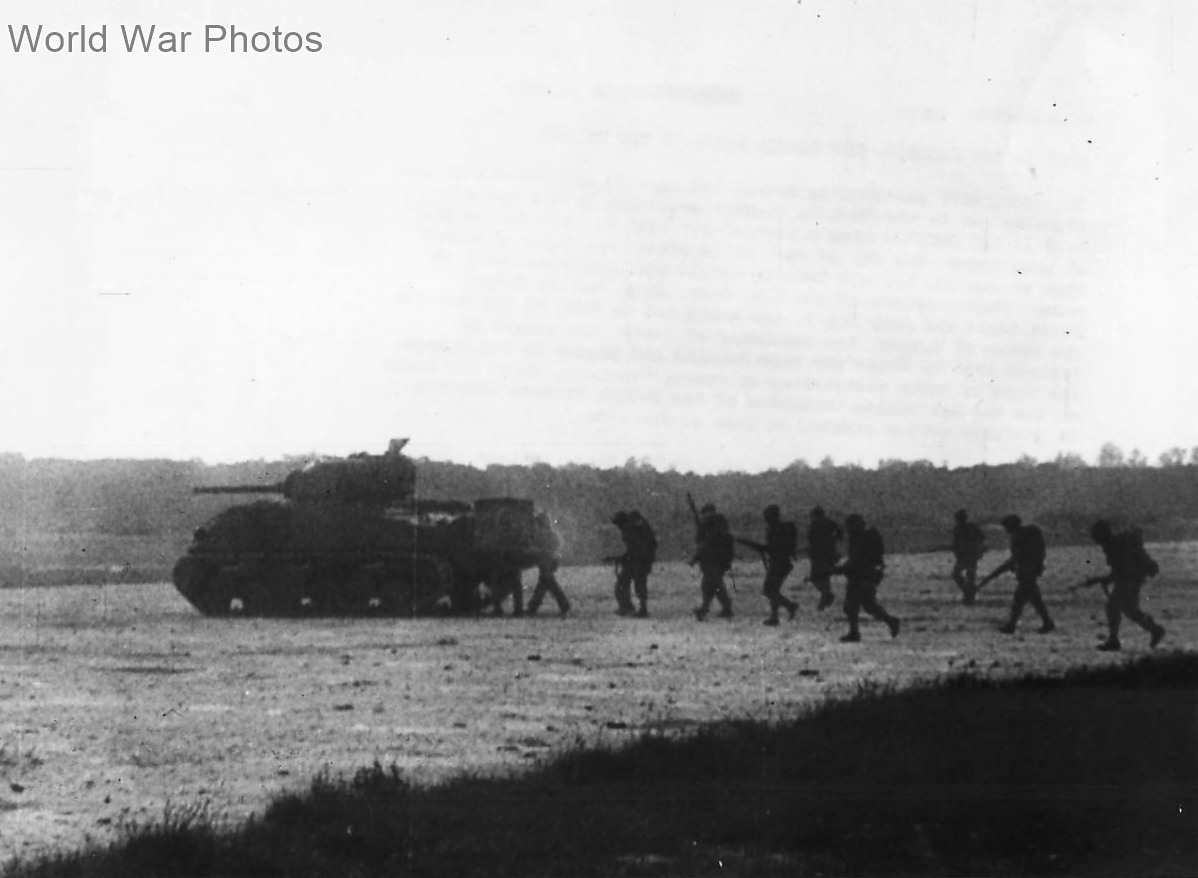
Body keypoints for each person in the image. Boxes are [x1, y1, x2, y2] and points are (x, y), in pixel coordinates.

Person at [1075, 520, 1165, 651]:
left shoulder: (1114, 547)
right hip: (1132, 579)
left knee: (1113, 607)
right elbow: (1118, 571)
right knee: (1130, 611)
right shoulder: (1113, 545)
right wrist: (1101, 580)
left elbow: (1121, 571)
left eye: (1095, 535)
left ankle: (1114, 640)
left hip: (1130, 580)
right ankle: (1155, 630)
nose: (1094, 539)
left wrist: (1098, 580)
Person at [977, 514, 1055, 635]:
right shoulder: (1024, 535)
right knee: (1033, 599)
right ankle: (1046, 622)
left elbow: (1016, 558)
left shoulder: (1018, 537)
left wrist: (997, 572)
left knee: (1021, 599)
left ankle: (1012, 625)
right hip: (1030, 571)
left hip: (1026, 572)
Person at [829, 513, 900, 642]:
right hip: (859, 576)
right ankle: (857, 632)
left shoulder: (862, 539)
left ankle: (889, 622)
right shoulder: (858, 538)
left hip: (863, 577)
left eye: (850, 526)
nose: (849, 529)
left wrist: (840, 569)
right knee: (858, 606)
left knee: (860, 606)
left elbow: (857, 560)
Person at [756, 504, 799, 626]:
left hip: (779, 563)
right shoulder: (776, 528)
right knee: (772, 590)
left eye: (767, 515)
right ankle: (783, 610)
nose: (765, 518)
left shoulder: (777, 529)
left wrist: (762, 548)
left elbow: (774, 547)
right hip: (781, 562)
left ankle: (785, 610)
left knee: (770, 590)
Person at [692, 504, 734, 620]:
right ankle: (722, 608)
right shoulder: (719, 524)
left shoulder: (713, 525)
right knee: (713, 584)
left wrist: (696, 557)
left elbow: (705, 542)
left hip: (713, 560)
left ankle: (706, 609)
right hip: (715, 560)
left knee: (710, 584)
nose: (704, 516)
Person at [610, 510, 656, 617]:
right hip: (639, 559)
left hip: (640, 560)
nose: (619, 528)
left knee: (636, 584)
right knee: (624, 583)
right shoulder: (633, 527)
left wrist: (623, 558)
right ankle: (627, 607)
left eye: (618, 524)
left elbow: (636, 548)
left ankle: (640, 609)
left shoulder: (629, 528)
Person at [526, 513, 570, 617]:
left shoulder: (544, 535)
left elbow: (539, 546)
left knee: (549, 583)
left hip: (546, 561)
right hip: (550, 560)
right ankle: (534, 606)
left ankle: (564, 604)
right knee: (544, 583)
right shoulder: (551, 534)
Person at [806, 506, 841, 610]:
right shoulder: (831, 523)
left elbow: (812, 540)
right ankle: (826, 596)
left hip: (818, 555)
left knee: (817, 577)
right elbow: (840, 532)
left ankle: (826, 597)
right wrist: (833, 540)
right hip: (830, 554)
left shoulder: (814, 524)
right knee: (825, 577)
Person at [950, 509, 987, 604]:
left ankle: (968, 593)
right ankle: (968, 592)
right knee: (967, 575)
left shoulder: (964, 528)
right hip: (969, 555)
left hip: (967, 555)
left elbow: (981, 537)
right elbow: (981, 537)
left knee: (961, 574)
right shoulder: (968, 527)